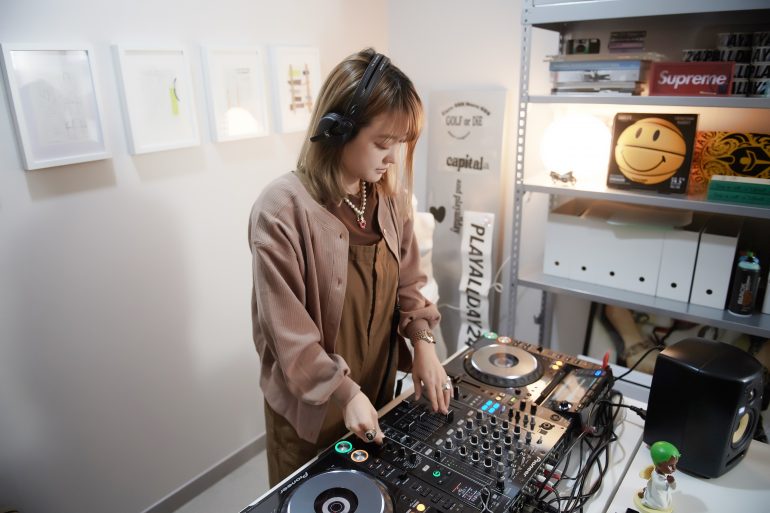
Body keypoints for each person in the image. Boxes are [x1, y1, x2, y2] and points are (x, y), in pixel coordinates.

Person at [248, 48, 448, 487]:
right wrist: (345, 392)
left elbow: (410, 285)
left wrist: (424, 344)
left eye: (400, 144)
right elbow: (291, 340)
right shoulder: (281, 212)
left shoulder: (390, 197)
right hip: (312, 413)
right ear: (337, 130)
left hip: (375, 395)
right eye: (382, 143)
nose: (393, 157)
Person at [634, 441, 681, 512]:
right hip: (657, 494)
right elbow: (660, 485)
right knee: (663, 507)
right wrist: (669, 482)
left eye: (675, 465)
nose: (674, 469)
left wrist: (672, 482)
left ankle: (646, 491)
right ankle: (646, 501)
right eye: (670, 466)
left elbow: (673, 487)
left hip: (662, 492)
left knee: (669, 501)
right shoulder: (655, 476)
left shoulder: (663, 474)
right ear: (659, 465)